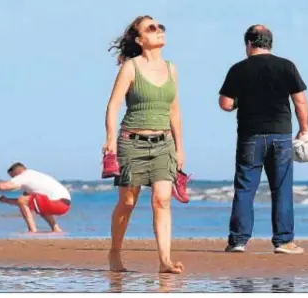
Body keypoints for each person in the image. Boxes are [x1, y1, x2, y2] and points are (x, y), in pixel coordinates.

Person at [218, 24, 308, 254]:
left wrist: (240, 101)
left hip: (250, 136)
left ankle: (238, 241)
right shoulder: (286, 66)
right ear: (270, 43)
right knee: (281, 188)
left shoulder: (238, 69)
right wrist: (304, 129)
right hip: (281, 135)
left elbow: (226, 103)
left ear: (249, 43)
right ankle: (283, 241)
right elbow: (300, 101)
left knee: (245, 188)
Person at [104, 15, 185, 273]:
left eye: (161, 26)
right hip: (132, 143)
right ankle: (115, 252)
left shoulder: (171, 68)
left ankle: (165, 261)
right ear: (140, 40)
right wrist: (109, 142)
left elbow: (174, 110)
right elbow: (113, 105)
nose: (159, 30)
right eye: (151, 28)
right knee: (127, 202)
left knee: (162, 201)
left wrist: (180, 147)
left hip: (164, 144)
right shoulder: (131, 67)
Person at [0, 162, 71, 233]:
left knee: (25, 200)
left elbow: (3, 187)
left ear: (18, 172)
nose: (13, 179)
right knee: (37, 205)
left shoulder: (24, 176)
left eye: (13, 177)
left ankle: (32, 230)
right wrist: (5, 200)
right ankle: (56, 229)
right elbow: (23, 203)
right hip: (65, 205)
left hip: (58, 203)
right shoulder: (34, 176)